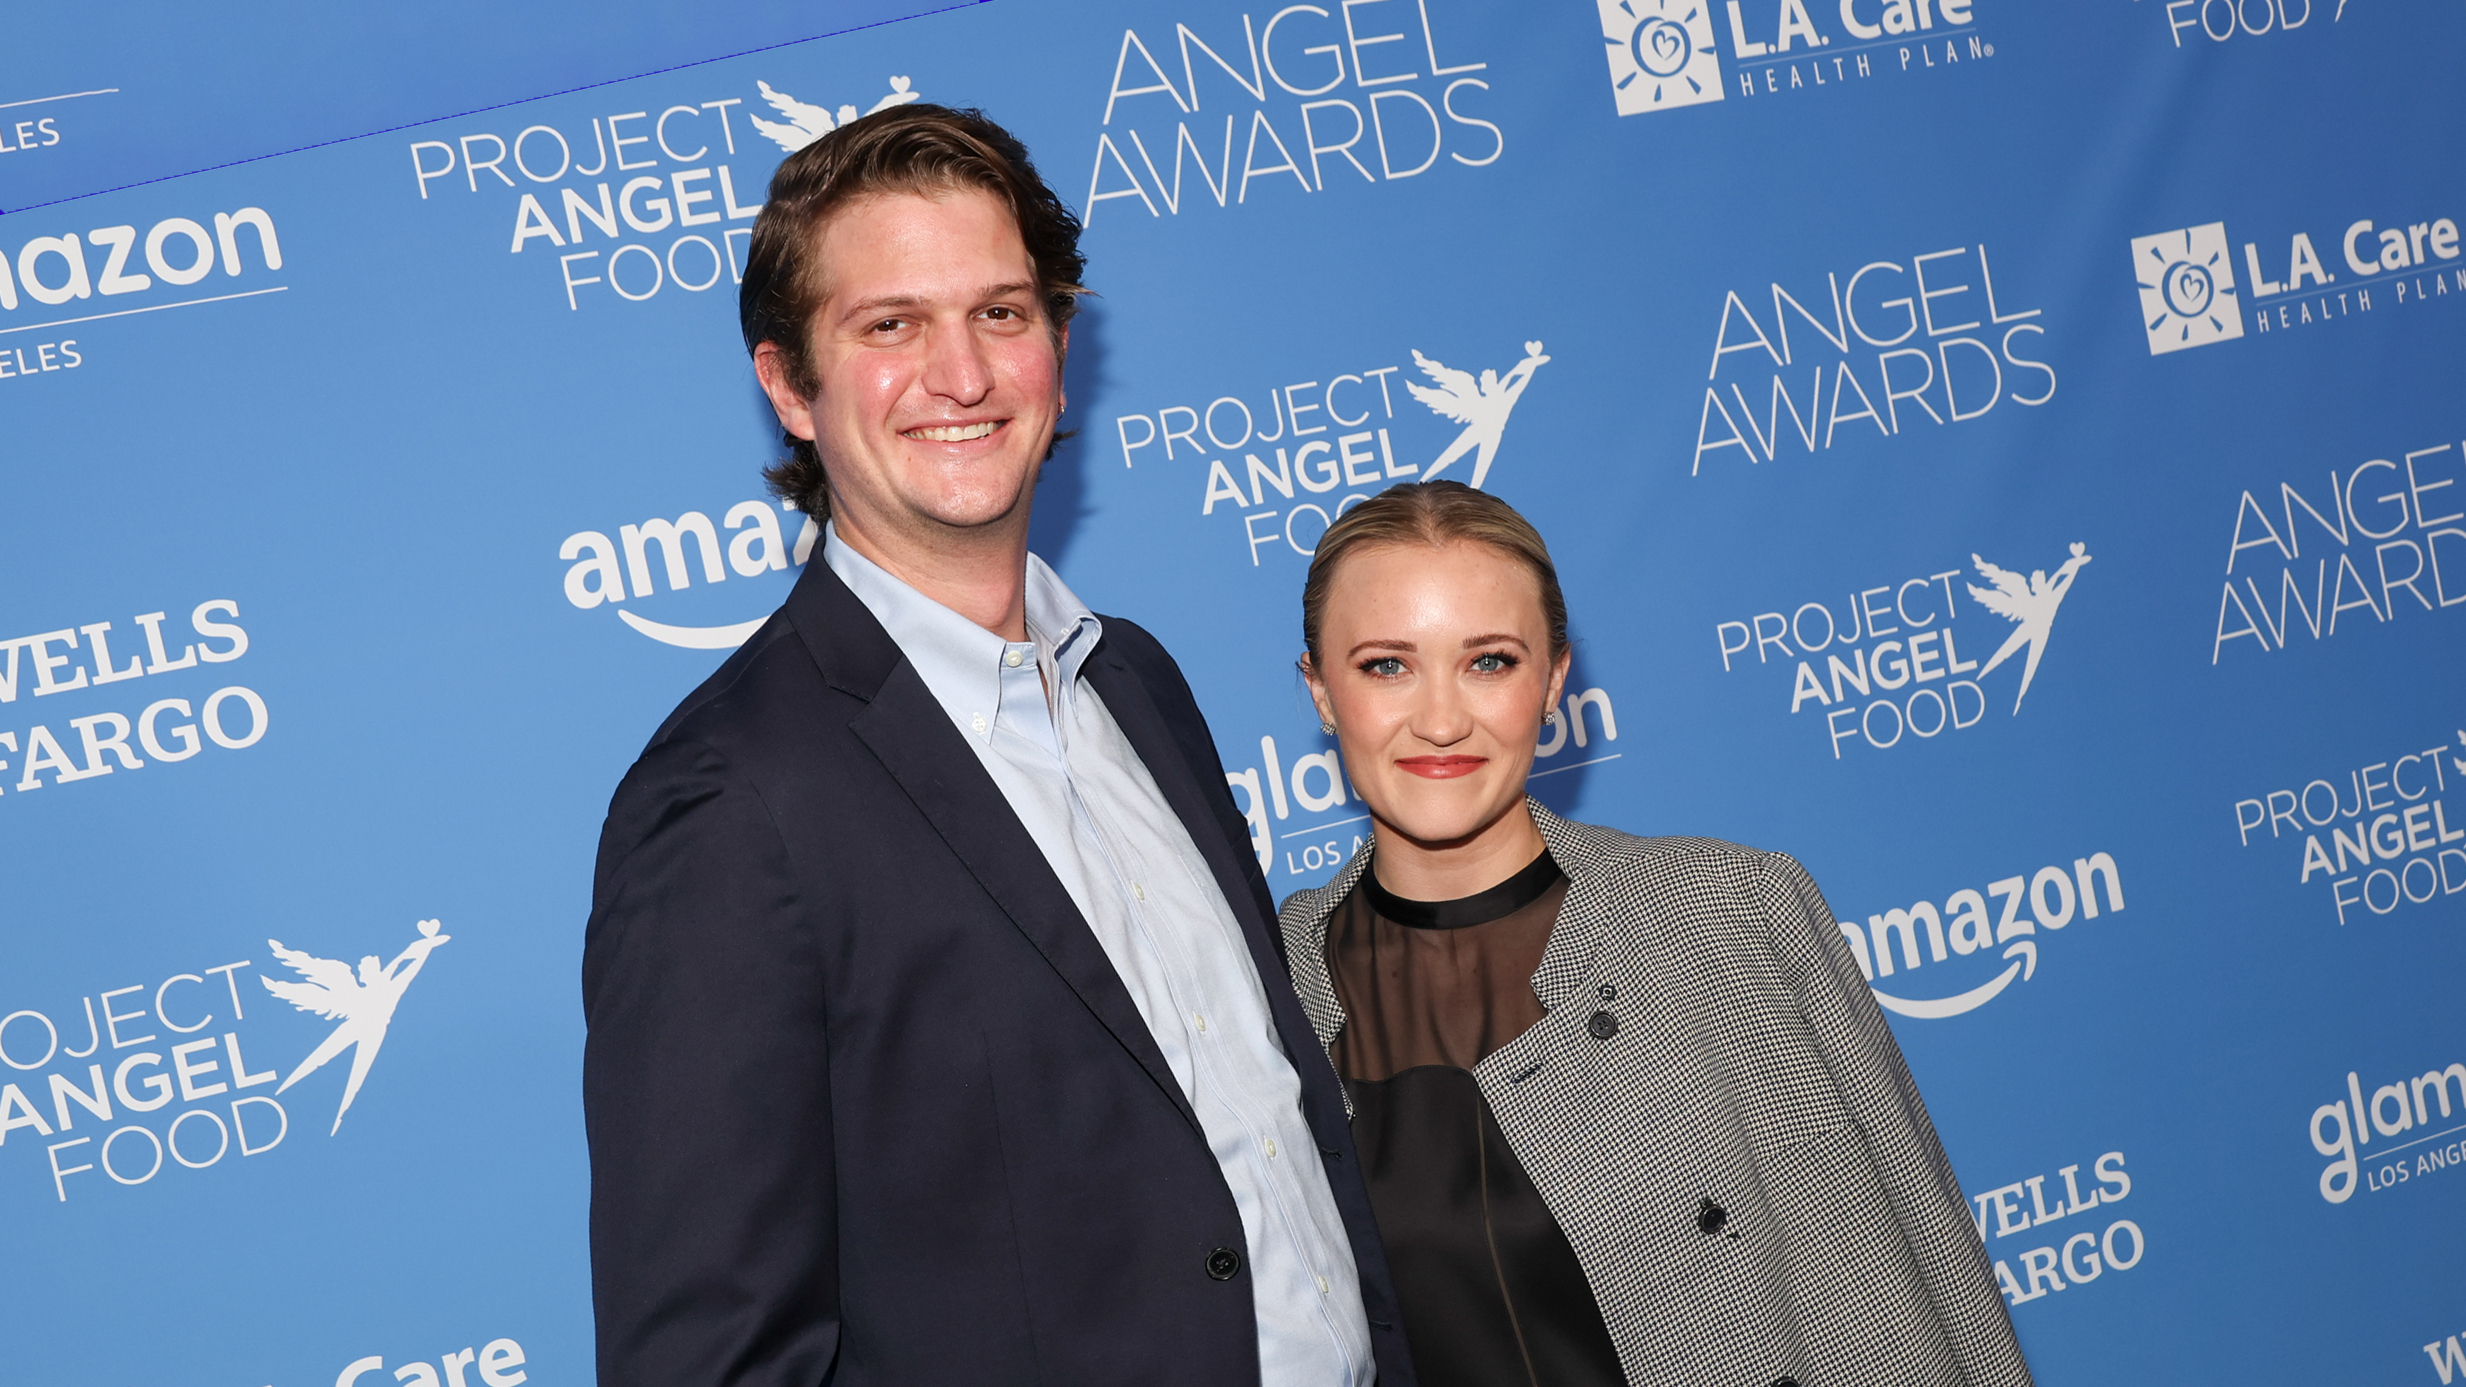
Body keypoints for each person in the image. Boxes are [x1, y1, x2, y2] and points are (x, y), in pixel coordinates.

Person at [580, 106, 1416, 1387]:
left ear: (1059, 352)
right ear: (789, 387)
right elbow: (713, 1359)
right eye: (890, 325)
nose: (962, 375)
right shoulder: (730, 802)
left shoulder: (1137, 681)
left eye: (1002, 313)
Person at [1279, 481, 2033, 1387]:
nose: (1442, 720)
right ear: (1321, 691)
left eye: (1490, 661)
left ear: (1554, 681)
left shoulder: (1724, 911)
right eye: (1386, 666)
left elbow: (1916, 1271)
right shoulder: (1273, 985)